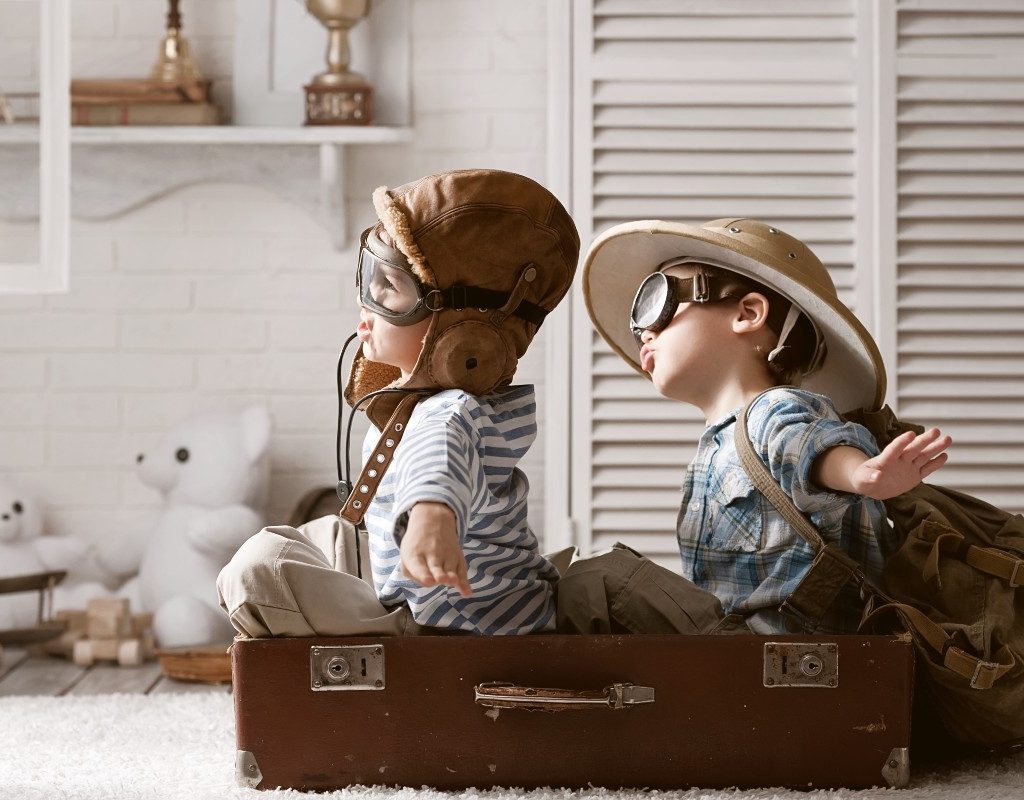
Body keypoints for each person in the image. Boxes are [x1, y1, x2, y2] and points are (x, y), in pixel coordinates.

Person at [217, 169, 580, 637]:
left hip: (458, 632)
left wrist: (431, 518)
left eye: (390, 287)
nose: (368, 306)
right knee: (323, 536)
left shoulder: (449, 413)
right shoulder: (425, 404)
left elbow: (440, 462)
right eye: (369, 279)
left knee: (260, 568)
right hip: (419, 596)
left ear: (465, 333)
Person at [582, 218, 952, 634]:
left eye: (657, 303)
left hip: (785, 651)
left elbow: (805, 447)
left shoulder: (772, 411)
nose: (644, 332)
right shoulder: (716, 447)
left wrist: (862, 474)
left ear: (748, 313)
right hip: (740, 651)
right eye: (637, 325)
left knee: (594, 580)